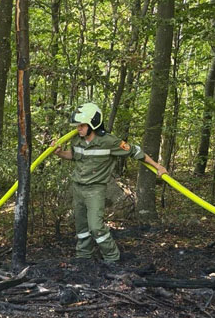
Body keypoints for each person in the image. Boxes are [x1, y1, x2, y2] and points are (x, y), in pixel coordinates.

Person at [53, 102, 167, 263]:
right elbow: (73, 155)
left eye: (82, 125)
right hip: (77, 188)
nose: (78, 128)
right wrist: (59, 153)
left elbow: (135, 152)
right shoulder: (77, 140)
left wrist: (158, 167)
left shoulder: (109, 141)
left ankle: (112, 258)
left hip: (95, 190)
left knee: (96, 227)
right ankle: (83, 257)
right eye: (77, 125)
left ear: (93, 123)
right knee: (81, 227)